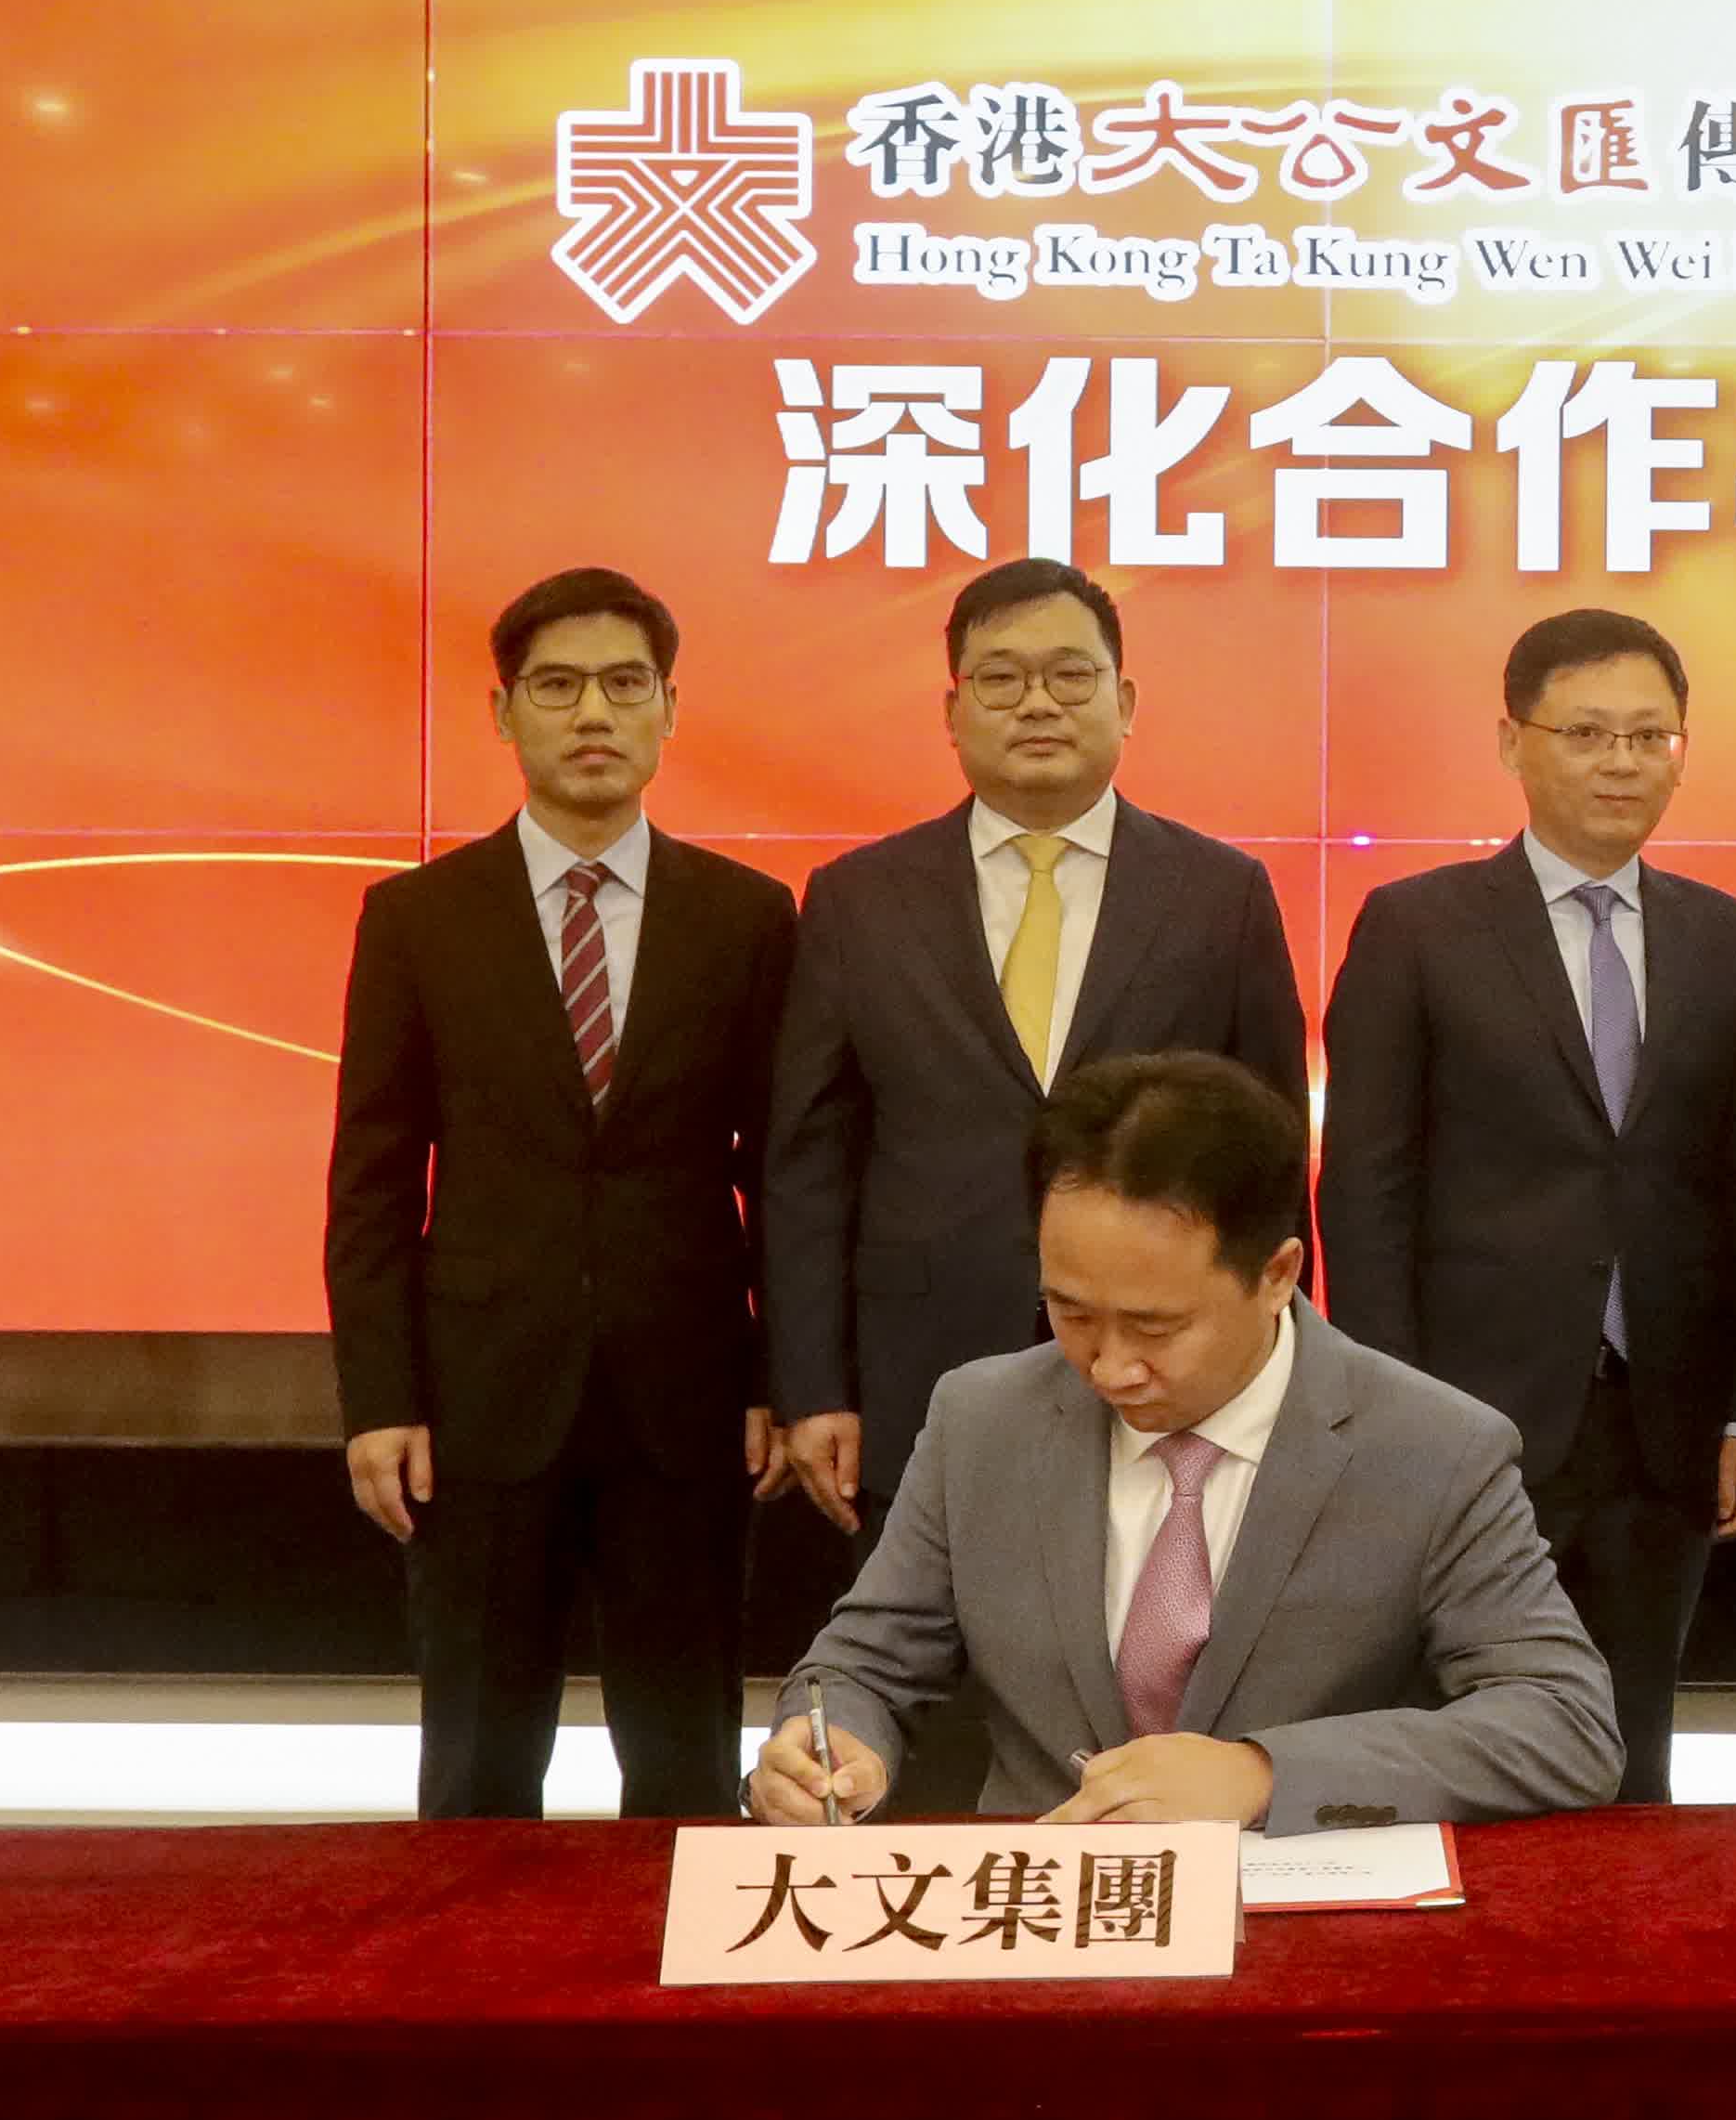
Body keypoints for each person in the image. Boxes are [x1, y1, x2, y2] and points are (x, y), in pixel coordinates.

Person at [752, 1052, 1617, 1831]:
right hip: (1045, 1911)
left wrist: (1264, 1774)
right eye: (1070, 1313)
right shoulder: (983, 1419)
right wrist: (827, 1745)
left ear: (1277, 1274)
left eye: (1155, 1327)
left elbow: (1564, 1722)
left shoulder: (1433, 1447)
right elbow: (862, 1667)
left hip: (1301, 1919)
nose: (1110, 1368)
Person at [324, 567, 800, 1817]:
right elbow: (374, 1178)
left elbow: (780, 1173)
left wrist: (777, 1377)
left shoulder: (747, 919)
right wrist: (380, 1399)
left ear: (669, 711)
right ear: (503, 713)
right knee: (478, 1766)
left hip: (688, 1401)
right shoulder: (418, 919)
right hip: (481, 1402)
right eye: (558, 686)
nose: (594, 713)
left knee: (686, 1766)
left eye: (625, 685)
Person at [1317, 607, 1736, 1803]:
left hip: (1665, 1421)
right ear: (1512, 744)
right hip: (1468, 1416)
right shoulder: (1417, 925)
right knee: (1457, 1739)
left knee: (1635, 1751)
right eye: (1585, 733)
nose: (1620, 763)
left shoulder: (1731, 939)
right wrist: (1387, 1409)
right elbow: (1366, 1187)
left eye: (1649, 737)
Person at [761, 554, 1306, 1539]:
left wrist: (1277, 1370)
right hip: (917, 1364)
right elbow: (809, 1163)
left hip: (1165, 1367)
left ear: (1124, 700)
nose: (1038, 703)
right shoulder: (857, 899)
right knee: (931, 1631)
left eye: (1070, 675)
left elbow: (1270, 1154)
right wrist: (813, 1386)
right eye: (1002, 679)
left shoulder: (1221, 896)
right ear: (953, 710)